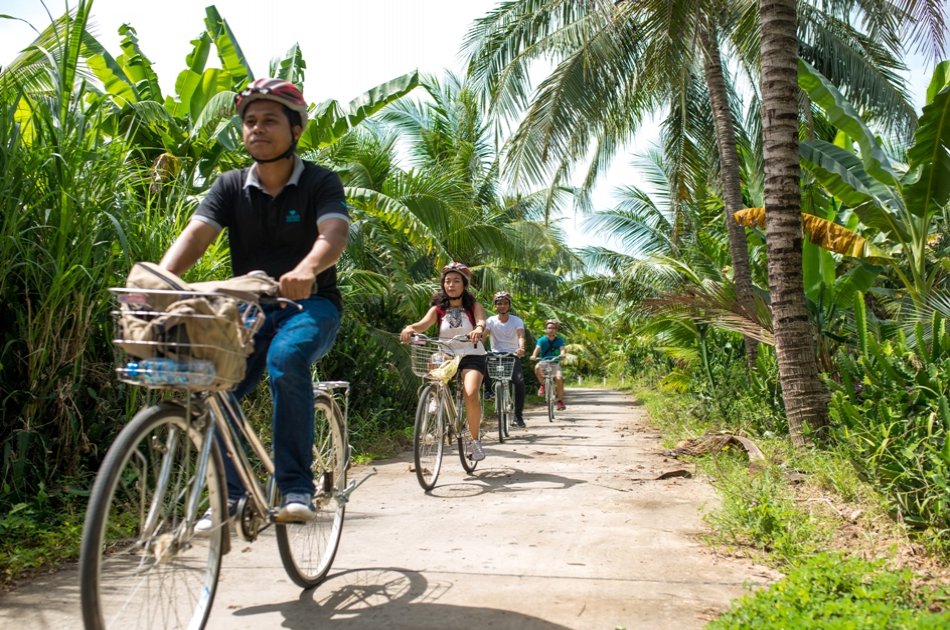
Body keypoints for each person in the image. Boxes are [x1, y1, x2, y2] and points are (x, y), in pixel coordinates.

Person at [159, 78, 350, 527]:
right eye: (249, 121)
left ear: (296, 129)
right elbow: (195, 237)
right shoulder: (229, 186)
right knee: (215, 387)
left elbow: (333, 234)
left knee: (287, 360)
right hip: (249, 309)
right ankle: (232, 496)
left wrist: (307, 269)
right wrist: (161, 280)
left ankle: (296, 487)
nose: (257, 129)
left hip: (311, 305)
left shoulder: (320, 182)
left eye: (269, 120)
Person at [400, 262, 489, 461]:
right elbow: (421, 325)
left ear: (464, 285)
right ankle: (436, 397)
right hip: (447, 353)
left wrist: (478, 329)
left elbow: (481, 321)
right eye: (447, 281)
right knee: (434, 358)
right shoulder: (438, 310)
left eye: (456, 281)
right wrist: (409, 328)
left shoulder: (473, 306)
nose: (451, 285)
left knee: (471, 393)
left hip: (472, 353)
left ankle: (474, 442)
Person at [484, 291, 527, 427]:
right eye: (499, 303)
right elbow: (484, 335)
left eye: (505, 303)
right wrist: (476, 342)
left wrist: (521, 348)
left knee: (519, 382)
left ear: (509, 305)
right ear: (495, 306)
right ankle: (488, 391)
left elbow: (520, 335)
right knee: (482, 360)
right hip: (495, 355)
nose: (502, 306)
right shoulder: (490, 321)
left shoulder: (516, 320)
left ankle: (518, 416)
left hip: (512, 355)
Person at [531, 319, 567, 411]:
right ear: (546, 329)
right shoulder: (541, 340)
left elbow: (562, 348)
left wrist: (562, 353)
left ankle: (560, 401)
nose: (551, 330)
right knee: (537, 367)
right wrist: (534, 355)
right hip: (544, 362)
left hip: (555, 362)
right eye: (549, 328)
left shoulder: (559, 340)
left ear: (556, 330)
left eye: (553, 328)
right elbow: (537, 348)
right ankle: (543, 384)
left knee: (559, 378)